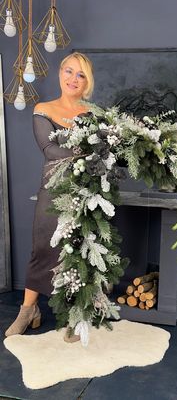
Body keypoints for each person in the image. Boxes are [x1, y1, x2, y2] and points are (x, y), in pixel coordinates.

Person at [5, 52, 95, 342]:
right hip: (53, 189)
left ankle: (74, 313)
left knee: (79, 251)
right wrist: (89, 152)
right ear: (60, 74)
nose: (73, 79)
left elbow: (105, 155)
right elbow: (49, 150)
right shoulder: (44, 109)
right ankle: (28, 310)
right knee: (43, 247)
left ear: (87, 82)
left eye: (80, 75)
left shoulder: (92, 115)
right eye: (69, 71)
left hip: (86, 193)